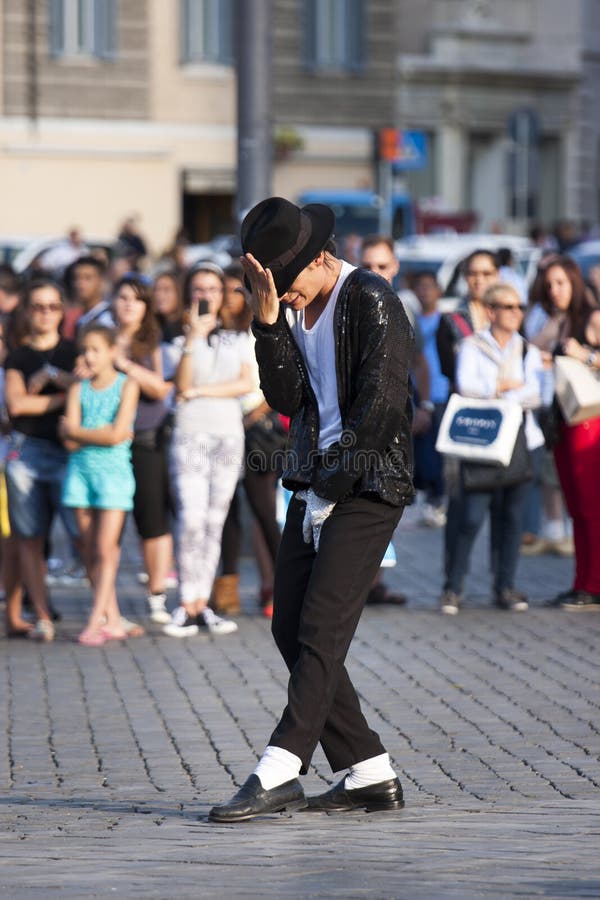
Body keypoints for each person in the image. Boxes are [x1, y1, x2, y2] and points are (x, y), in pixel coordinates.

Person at [209, 197, 414, 823]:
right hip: (314, 481)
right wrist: (268, 325)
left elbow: (379, 408)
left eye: (286, 286)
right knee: (287, 625)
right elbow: (285, 399)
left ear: (321, 258)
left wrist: (331, 486)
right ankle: (369, 771)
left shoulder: (370, 297)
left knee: (322, 628)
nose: (288, 298)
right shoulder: (288, 311)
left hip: (368, 483)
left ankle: (281, 766)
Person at [439, 283, 544, 614]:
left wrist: (499, 394)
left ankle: (505, 586)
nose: (516, 313)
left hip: (522, 443)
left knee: (512, 519)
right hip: (481, 444)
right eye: (508, 306)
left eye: (519, 307)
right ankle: (453, 587)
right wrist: (503, 386)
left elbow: (538, 393)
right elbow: (466, 385)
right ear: (491, 311)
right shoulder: (472, 346)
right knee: (469, 518)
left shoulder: (527, 349)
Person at [163, 263, 253, 638]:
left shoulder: (239, 337)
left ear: (223, 294)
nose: (205, 295)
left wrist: (200, 391)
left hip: (228, 435)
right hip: (190, 437)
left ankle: (205, 602)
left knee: (216, 521)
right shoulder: (176, 339)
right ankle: (187, 601)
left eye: (213, 289)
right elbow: (179, 385)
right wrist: (193, 339)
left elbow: (246, 383)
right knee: (192, 519)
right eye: (198, 289)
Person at [4, 278, 79, 640]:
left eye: (52, 306)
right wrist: (66, 393)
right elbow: (17, 405)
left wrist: (51, 377)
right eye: (38, 306)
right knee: (29, 538)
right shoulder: (18, 355)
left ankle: (103, 613)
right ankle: (43, 615)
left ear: (62, 312)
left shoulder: (74, 351)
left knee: (85, 536)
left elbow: (92, 389)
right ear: (27, 311)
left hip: (69, 453)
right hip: (28, 451)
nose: (45, 314)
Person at [60, 325, 139, 645]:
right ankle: (113, 617)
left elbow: (117, 434)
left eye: (95, 349)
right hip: (79, 474)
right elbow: (68, 441)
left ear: (111, 352)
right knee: (88, 548)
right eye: (84, 350)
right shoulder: (77, 390)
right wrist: (98, 434)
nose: (88, 356)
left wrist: (80, 432)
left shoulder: (127, 385)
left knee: (106, 549)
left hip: (114, 476)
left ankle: (96, 620)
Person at [217, 262, 282, 618]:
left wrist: (247, 418)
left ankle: (283, 584)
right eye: (223, 291)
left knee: (263, 510)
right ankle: (226, 587)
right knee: (224, 511)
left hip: (255, 431)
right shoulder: (209, 333)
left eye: (236, 291)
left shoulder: (258, 331)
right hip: (217, 429)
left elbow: (275, 384)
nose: (229, 299)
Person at [534, 257, 600, 610]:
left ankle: (593, 584)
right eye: (549, 285)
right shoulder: (555, 321)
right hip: (563, 423)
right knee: (577, 507)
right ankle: (582, 582)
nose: (554, 291)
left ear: (574, 282)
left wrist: (584, 355)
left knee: (591, 507)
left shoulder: (591, 319)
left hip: (589, 421)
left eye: (560, 283)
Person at [112, 275, 173, 628]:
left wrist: (123, 364)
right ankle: (105, 601)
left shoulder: (152, 343)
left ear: (147, 306)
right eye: (122, 297)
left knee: (153, 521)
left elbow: (159, 389)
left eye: (136, 299)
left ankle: (157, 595)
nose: (128, 304)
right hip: (106, 443)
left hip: (147, 441)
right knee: (108, 528)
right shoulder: (98, 339)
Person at [412, 271, 449, 523]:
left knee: (438, 450)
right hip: (419, 392)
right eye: (420, 287)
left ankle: (438, 498)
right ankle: (428, 496)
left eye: (429, 286)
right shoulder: (412, 320)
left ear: (439, 291)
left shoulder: (445, 321)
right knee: (423, 449)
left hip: (442, 391)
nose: (425, 292)